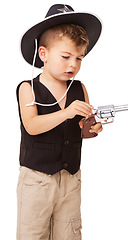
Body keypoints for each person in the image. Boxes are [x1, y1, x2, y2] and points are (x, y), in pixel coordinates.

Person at [16, 4, 102, 240]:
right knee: (32, 233)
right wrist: (66, 113)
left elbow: (82, 129)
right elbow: (32, 126)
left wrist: (93, 128)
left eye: (79, 58)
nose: (72, 65)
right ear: (43, 54)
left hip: (70, 179)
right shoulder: (28, 88)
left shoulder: (79, 88)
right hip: (37, 180)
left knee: (69, 232)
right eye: (65, 57)